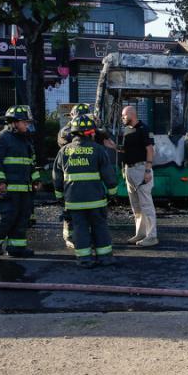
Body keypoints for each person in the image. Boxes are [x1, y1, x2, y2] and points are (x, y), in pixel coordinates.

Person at [52, 115, 118, 268]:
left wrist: (60, 197)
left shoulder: (64, 151)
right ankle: (105, 258)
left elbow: (57, 177)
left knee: (80, 229)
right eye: (92, 132)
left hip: (74, 201)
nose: (94, 134)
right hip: (96, 200)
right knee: (100, 227)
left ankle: (84, 259)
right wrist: (112, 193)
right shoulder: (98, 150)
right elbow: (108, 175)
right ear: (88, 133)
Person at [0, 105, 40, 257]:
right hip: (7, 189)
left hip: (24, 189)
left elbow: (31, 163)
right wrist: (0, 183)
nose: (27, 125)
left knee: (22, 218)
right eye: (24, 122)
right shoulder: (0, 139)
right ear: (13, 122)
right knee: (6, 218)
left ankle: (16, 247)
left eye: (28, 122)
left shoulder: (25, 140)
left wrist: (35, 180)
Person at [120, 105, 158, 247]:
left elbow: (150, 150)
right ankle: (141, 233)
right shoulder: (127, 130)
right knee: (136, 205)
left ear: (132, 114)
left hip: (141, 169)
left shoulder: (143, 129)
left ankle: (152, 236)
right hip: (129, 170)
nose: (122, 118)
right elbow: (127, 150)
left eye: (124, 115)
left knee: (146, 204)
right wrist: (113, 146)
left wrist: (147, 171)